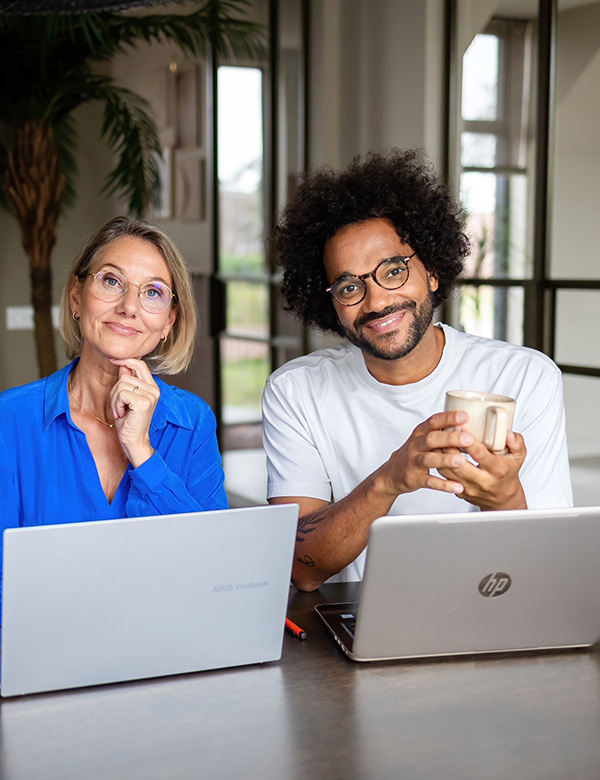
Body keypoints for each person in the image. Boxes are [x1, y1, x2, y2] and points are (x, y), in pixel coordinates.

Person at [262, 148, 573, 591]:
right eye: (350, 286)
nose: (376, 302)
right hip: (361, 624)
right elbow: (302, 570)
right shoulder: (297, 392)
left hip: (490, 610)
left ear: (430, 270)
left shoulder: (524, 377)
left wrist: (505, 499)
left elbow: (549, 573)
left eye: (392, 270)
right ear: (330, 302)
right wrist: (390, 479)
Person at [0, 216, 228, 605]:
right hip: (45, 652)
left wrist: (141, 449)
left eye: (153, 292)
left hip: (165, 649)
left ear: (169, 322)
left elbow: (214, 572)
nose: (129, 307)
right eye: (111, 281)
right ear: (76, 296)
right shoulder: (10, 419)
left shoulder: (193, 422)